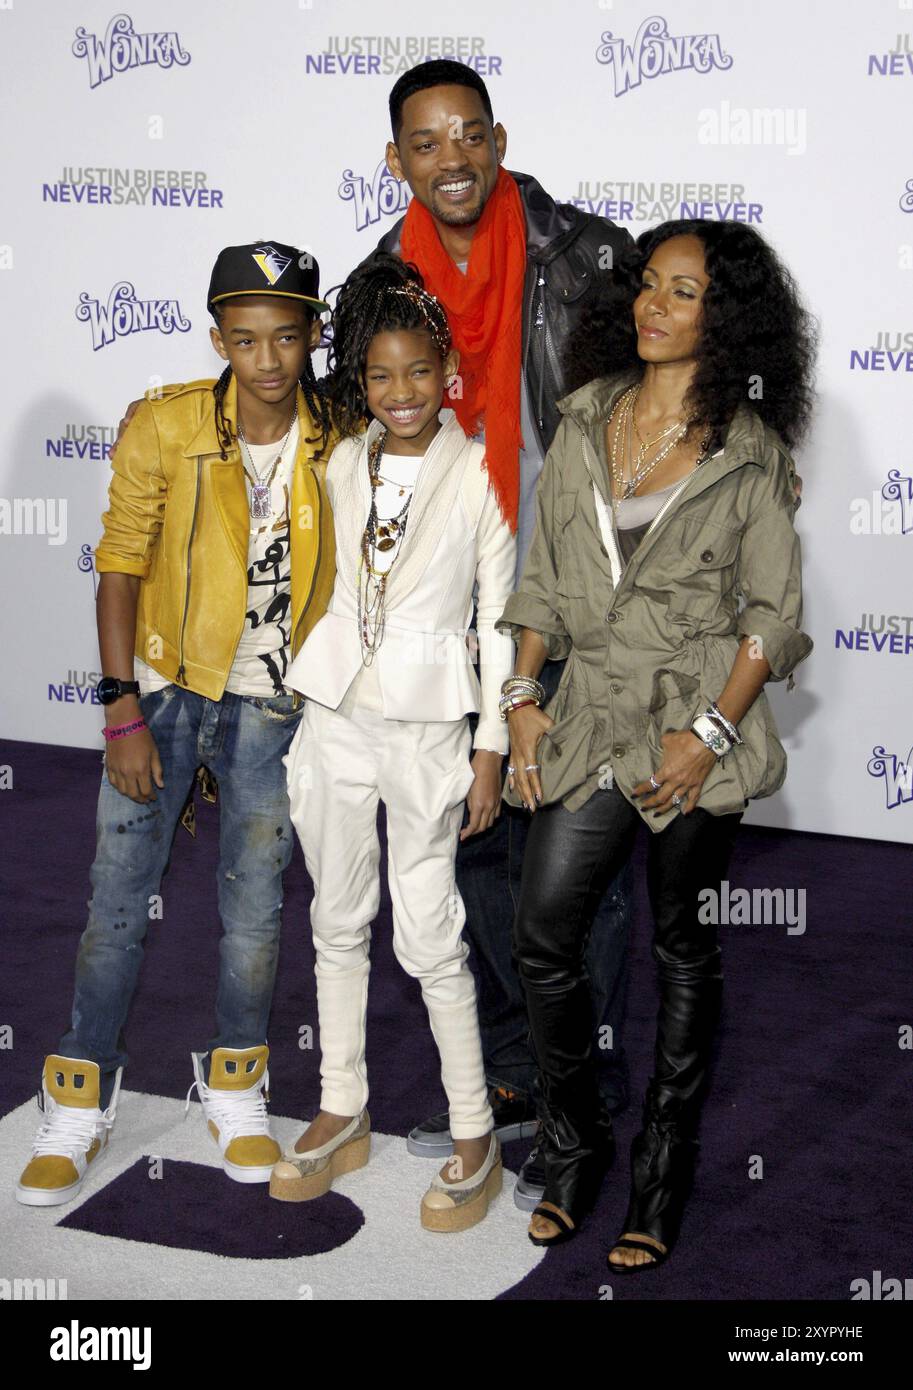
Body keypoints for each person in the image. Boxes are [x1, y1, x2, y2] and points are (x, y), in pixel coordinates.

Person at [496, 220, 816, 1264]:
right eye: (648, 285)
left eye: (684, 292)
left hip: (693, 731)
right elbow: (540, 579)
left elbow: (772, 613)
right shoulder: (584, 419)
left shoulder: (750, 454)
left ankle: (662, 1167)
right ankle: (575, 1137)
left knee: (682, 946)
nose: (654, 304)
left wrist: (711, 733)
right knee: (542, 931)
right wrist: (522, 695)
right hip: (586, 713)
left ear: (722, 318)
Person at [15, 241, 336, 1206]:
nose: (268, 359)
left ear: (314, 335)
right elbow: (119, 565)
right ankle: (78, 1098)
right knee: (117, 901)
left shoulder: (343, 433)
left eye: (287, 336)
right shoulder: (165, 426)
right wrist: (122, 715)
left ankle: (237, 1088)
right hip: (163, 687)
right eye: (245, 338)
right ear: (216, 339)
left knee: (255, 909)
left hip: (274, 702)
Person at [372, 60, 635, 1198]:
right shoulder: (380, 281)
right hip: (446, 608)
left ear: (499, 137)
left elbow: (655, 418)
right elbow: (353, 436)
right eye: (425, 143)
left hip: (573, 597)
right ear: (397, 161)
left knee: (574, 847)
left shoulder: (586, 257)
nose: (452, 159)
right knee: (470, 839)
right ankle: (518, 1063)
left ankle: (588, 1065)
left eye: (468, 135)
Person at [270, 254, 515, 1232]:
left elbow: (501, 622)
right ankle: (342, 1103)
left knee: (426, 936)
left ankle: (473, 1129)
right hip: (333, 714)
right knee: (335, 917)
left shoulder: (480, 475)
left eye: (418, 371)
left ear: (446, 369)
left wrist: (490, 748)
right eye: (379, 375)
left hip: (425, 731)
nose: (400, 392)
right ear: (358, 379)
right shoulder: (336, 461)